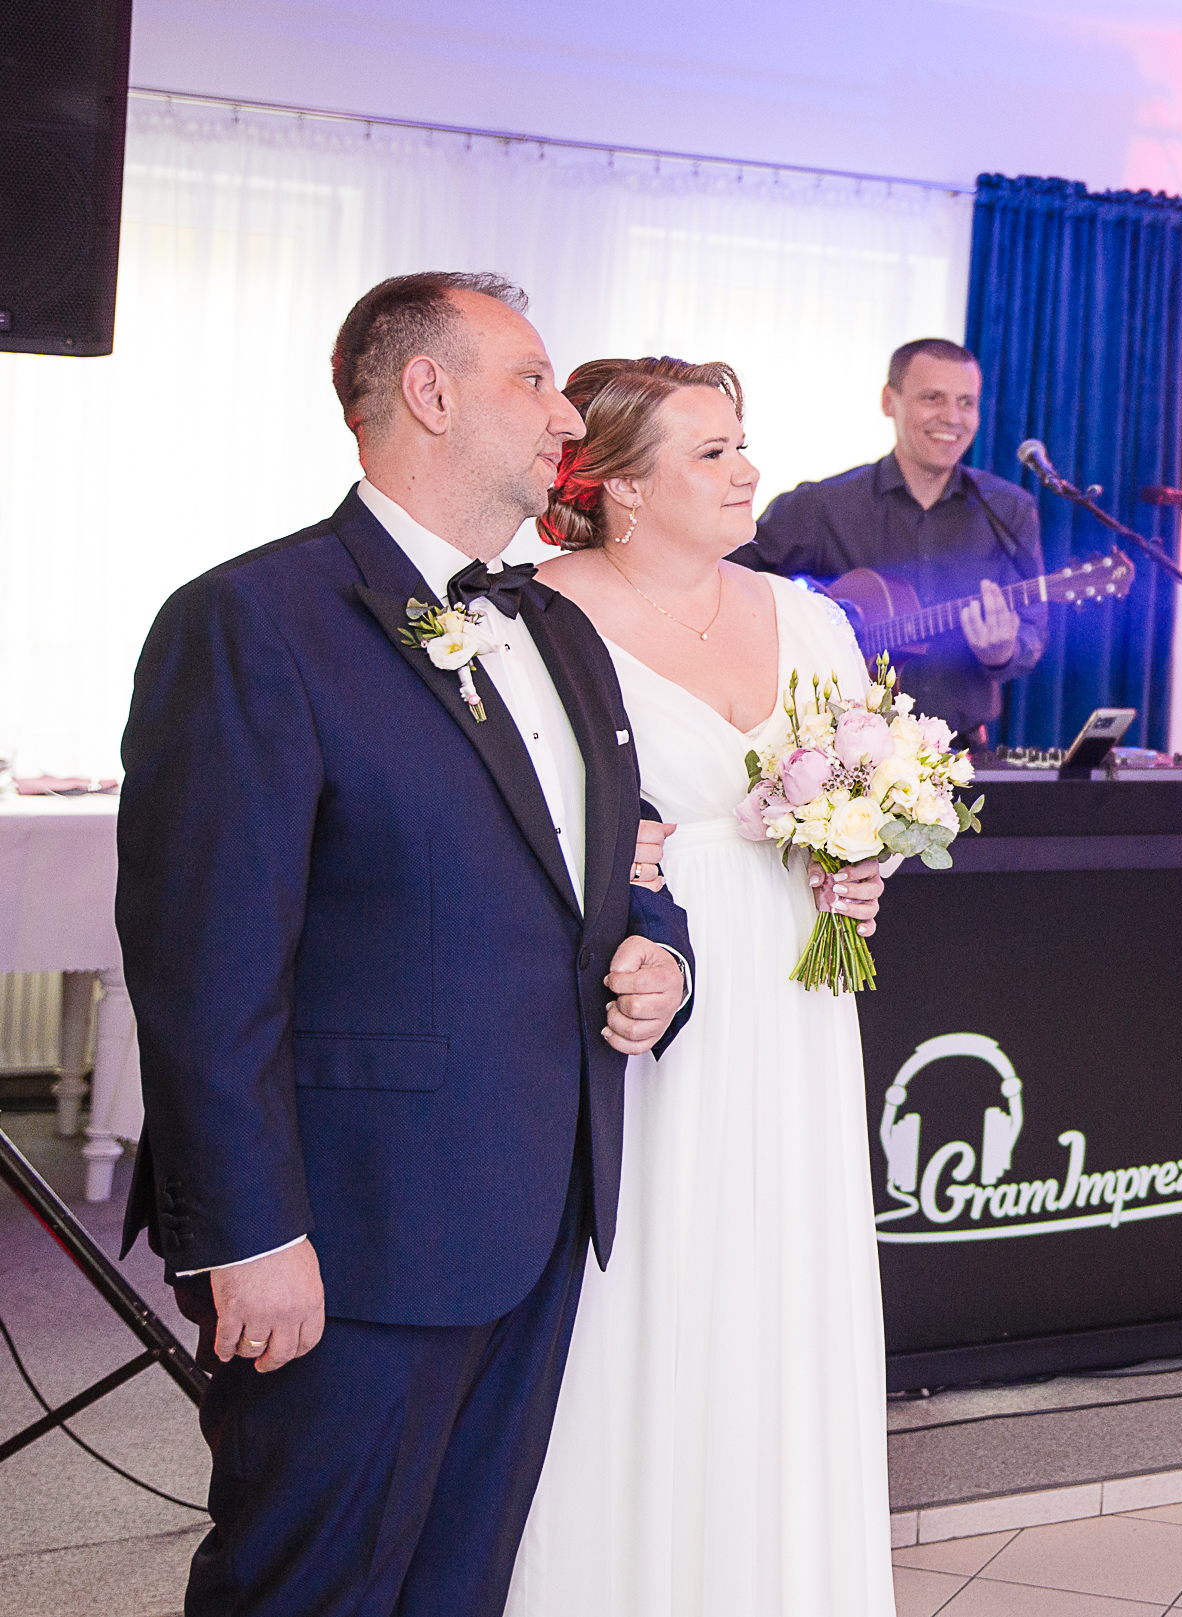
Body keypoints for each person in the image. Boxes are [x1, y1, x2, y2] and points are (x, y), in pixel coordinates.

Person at [116, 271, 696, 1617]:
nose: (566, 415)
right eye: (533, 380)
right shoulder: (253, 618)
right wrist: (246, 1233)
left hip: (540, 1212)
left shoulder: (558, 628)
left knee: (458, 1586)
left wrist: (661, 957)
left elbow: (617, 854)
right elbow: (205, 965)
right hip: (353, 1233)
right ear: (429, 393)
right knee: (306, 1587)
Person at [504, 356, 896, 1617]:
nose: (747, 471)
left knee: (784, 1279)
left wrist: (866, 859)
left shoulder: (809, 618)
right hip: (640, 989)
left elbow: (865, 786)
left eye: (743, 443)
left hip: (797, 983)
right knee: (654, 1272)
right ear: (620, 485)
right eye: (713, 452)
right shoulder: (533, 616)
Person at [731, 336, 1046, 744]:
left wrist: (1003, 653)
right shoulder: (822, 505)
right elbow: (729, 582)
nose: (952, 417)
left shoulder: (1008, 510)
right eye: (932, 398)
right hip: (840, 760)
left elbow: (1034, 629)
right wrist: (800, 639)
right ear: (888, 400)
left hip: (962, 752)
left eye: (966, 402)